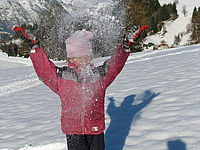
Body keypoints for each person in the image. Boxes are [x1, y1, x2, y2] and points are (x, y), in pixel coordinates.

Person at [14, 25, 148, 150]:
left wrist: (125, 47)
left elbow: (114, 65)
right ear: (71, 58)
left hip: (95, 128)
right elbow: (44, 69)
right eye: (79, 57)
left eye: (87, 57)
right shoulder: (63, 77)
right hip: (73, 131)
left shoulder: (99, 76)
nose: (84, 61)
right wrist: (35, 47)